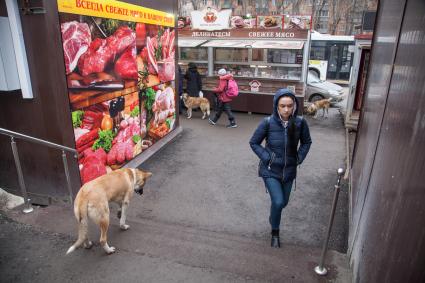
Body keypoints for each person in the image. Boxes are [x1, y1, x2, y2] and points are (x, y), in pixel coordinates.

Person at [249, 89, 312, 248]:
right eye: (282, 106)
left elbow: (306, 142)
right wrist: (266, 157)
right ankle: (275, 232)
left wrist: (299, 157)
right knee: (277, 201)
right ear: (276, 106)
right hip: (270, 170)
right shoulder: (268, 122)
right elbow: (254, 142)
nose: (286, 110)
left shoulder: (300, 123)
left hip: (290, 171)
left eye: (289, 106)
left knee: (283, 203)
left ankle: (274, 215)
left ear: (294, 106)